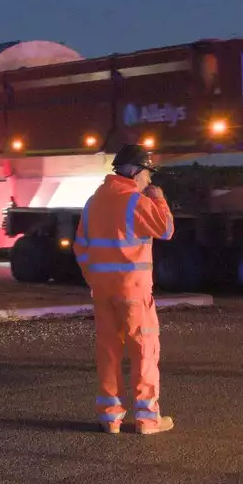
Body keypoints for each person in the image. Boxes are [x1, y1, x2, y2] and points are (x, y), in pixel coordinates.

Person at [74, 143, 176, 434]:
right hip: (133, 290)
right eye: (147, 174)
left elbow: (81, 247)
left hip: (103, 291)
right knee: (144, 349)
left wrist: (93, 278)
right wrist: (159, 199)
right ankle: (147, 419)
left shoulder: (93, 202)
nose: (149, 181)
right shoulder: (136, 201)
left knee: (108, 351)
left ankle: (110, 417)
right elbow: (166, 229)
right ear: (135, 172)